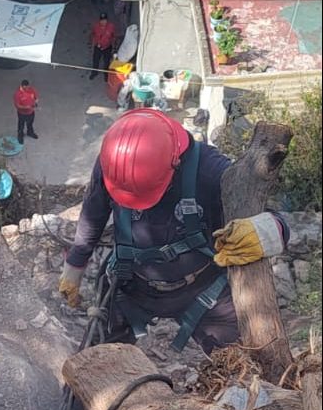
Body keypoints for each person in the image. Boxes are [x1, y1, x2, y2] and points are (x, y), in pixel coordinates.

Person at [58, 108, 289, 356]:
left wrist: (264, 232)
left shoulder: (212, 171)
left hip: (203, 287)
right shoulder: (116, 162)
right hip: (132, 283)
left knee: (244, 362)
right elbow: (93, 212)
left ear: (175, 163)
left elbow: (275, 219)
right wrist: (75, 266)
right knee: (93, 364)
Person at [89, 12, 116, 80]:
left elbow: (114, 36)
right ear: (99, 20)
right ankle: (94, 73)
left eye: (105, 20)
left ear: (107, 20)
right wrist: (91, 43)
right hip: (98, 47)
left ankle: (106, 74)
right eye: (102, 20)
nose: (103, 21)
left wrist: (114, 46)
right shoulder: (96, 26)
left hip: (107, 47)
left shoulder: (111, 26)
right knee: (95, 61)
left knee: (106, 62)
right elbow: (92, 34)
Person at [14, 79, 39, 145]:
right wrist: (26, 107)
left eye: (28, 87)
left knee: (30, 123)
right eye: (26, 88)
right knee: (21, 125)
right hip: (22, 113)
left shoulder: (31, 89)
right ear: (22, 86)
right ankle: (20, 136)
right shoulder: (17, 94)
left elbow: (36, 97)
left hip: (31, 112)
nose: (27, 89)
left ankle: (30, 132)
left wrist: (36, 102)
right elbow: (17, 105)